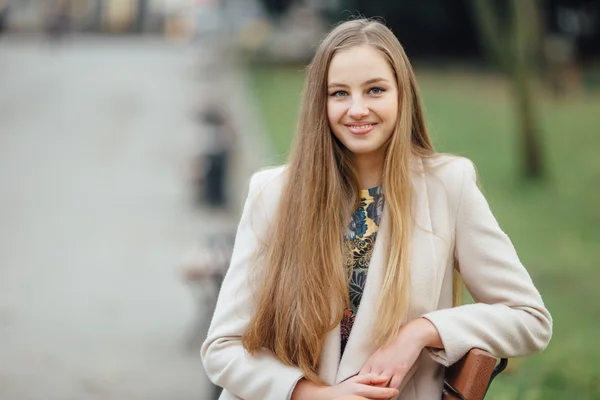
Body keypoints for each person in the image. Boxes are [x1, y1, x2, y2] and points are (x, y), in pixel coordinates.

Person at [201, 18, 552, 400]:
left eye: (375, 90)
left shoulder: (448, 185)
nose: (357, 109)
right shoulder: (273, 193)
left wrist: (421, 331)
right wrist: (313, 395)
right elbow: (223, 349)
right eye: (339, 93)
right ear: (320, 101)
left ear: (402, 94)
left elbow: (529, 319)